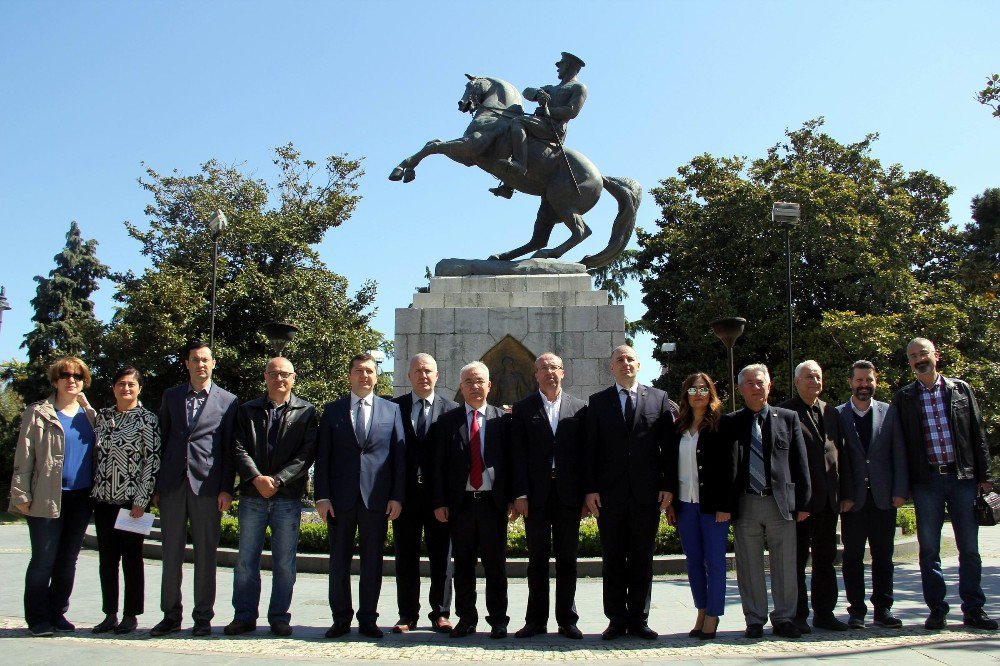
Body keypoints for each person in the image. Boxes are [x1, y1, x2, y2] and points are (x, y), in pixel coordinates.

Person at [892, 337, 997, 631]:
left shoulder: (960, 389)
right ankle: (937, 610)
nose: (918, 359)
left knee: (970, 548)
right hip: (926, 482)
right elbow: (900, 446)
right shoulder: (905, 397)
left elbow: (977, 432)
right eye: (913, 356)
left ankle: (974, 609)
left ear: (935, 356)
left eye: (923, 353)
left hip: (962, 478)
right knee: (928, 550)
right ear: (910, 362)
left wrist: (986, 476)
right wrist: (904, 486)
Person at [584, 345, 673, 640]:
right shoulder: (598, 402)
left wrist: (667, 486)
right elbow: (591, 451)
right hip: (609, 496)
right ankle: (615, 620)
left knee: (641, 558)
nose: (625, 364)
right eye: (619, 360)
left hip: (647, 495)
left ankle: (639, 618)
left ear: (639, 365)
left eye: (630, 359)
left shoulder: (659, 399)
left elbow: (668, 449)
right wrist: (591, 489)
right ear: (611, 367)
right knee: (612, 559)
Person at [151, 340, 239, 637]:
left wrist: (227, 489)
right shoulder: (171, 396)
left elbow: (229, 450)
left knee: (206, 555)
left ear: (213, 364)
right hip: (173, 485)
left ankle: (203, 617)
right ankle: (170, 615)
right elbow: (161, 442)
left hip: (208, 487)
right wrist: (155, 485)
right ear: (187, 363)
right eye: (195, 359)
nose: (200, 364)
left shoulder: (228, 401)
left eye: (205, 360)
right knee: (170, 553)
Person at [225, 357, 318, 637]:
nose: (280, 379)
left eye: (285, 374)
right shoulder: (247, 410)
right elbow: (238, 447)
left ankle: (279, 616)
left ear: (294, 377)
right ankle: (244, 616)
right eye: (274, 374)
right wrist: (256, 479)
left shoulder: (306, 411)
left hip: (287, 497)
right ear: (265, 377)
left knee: (285, 563)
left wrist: (277, 480)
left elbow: (306, 454)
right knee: (245, 561)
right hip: (253, 496)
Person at [315, 353, 405, 639]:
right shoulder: (332, 411)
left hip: (376, 500)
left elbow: (398, 458)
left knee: (372, 562)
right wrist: (322, 496)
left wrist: (396, 497)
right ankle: (340, 618)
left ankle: (368, 618)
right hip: (339, 501)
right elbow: (323, 457)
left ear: (376, 376)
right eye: (358, 371)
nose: (364, 376)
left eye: (369, 371)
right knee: (338, 562)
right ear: (349, 376)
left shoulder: (391, 411)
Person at [9, 356, 97, 637]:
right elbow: (24, 456)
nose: (71, 380)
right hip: (47, 495)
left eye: (77, 376)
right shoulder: (38, 413)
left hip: (81, 497)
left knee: (68, 559)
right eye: (65, 375)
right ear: (55, 380)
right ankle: (38, 619)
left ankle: (58, 613)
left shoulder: (91, 416)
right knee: (43, 559)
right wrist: (21, 493)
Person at [727, 363, 811, 639]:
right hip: (746, 502)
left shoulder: (787, 418)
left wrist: (803, 503)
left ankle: (784, 617)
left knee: (785, 563)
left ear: (769, 385)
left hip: (780, 503)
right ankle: (754, 618)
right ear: (740, 389)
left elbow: (800, 462)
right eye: (749, 383)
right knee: (749, 565)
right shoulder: (731, 422)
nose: (756, 388)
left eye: (760, 382)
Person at [432, 361, 513, 639]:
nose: (475, 386)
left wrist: (513, 499)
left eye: (480, 381)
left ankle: (499, 619)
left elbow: (511, 463)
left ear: (490, 385)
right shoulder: (447, 422)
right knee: (463, 565)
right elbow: (438, 467)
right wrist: (440, 502)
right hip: (461, 504)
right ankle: (466, 618)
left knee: (495, 565)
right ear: (461, 386)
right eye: (468, 381)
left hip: (493, 503)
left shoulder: (502, 420)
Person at [510, 353, 587, 640]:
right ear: (535, 375)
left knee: (568, 560)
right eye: (543, 368)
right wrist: (519, 494)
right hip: (536, 496)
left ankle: (568, 620)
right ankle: (535, 621)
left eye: (554, 367)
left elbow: (586, 456)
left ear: (563, 373)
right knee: (537, 560)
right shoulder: (522, 409)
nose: (549, 372)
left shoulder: (580, 408)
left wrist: (585, 494)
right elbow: (517, 455)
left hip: (569, 495)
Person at [664, 372, 737, 641]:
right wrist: (670, 503)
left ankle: (713, 614)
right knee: (694, 562)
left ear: (711, 393)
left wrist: (725, 505)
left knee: (715, 562)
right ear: (686, 395)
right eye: (693, 389)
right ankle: (701, 609)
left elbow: (730, 468)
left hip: (712, 506)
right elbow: (670, 468)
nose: (698, 394)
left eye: (703, 389)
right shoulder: (678, 427)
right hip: (685, 505)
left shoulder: (721, 424)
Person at [778, 361, 848, 633]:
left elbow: (840, 453)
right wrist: (794, 501)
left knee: (825, 560)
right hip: (800, 504)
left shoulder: (831, 411)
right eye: (808, 377)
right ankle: (797, 614)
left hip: (829, 501)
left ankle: (825, 613)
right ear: (796, 381)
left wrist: (846, 493)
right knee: (796, 562)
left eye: (818, 377)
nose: (814, 382)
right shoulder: (784, 412)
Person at [837, 360, 907, 629]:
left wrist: (900, 491)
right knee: (852, 557)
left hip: (884, 497)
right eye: (859, 380)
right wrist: (842, 494)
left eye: (868, 380)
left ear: (876, 382)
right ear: (850, 383)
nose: (864, 385)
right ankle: (856, 611)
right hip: (852, 500)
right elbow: (836, 459)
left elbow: (899, 454)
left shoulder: (889, 413)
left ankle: (883, 609)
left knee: (883, 557)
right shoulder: (839, 414)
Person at [390, 353, 457, 633]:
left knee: (442, 558)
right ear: (409, 377)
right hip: (404, 496)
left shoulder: (452, 410)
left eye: (428, 371)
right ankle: (407, 614)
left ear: (437, 376)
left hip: (438, 497)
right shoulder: (393, 408)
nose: (423, 376)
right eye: (417, 371)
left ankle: (440, 613)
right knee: (405, 557)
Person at [90, 366, 160, 635]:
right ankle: (110, 613)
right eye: (121, 384)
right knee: (107, 559)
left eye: (131, 384)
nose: (126, 388)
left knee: (132, 558)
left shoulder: (147, 419)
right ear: (114, 388)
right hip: (104, 498)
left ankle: (131, 615)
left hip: (133, 502)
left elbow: (152, 460)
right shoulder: (104, 417)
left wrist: (142, 499)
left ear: (139, 388)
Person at [490, 52, 587, 198]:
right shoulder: (552, 88)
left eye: (560, 65)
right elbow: (526, 92)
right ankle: (508, 185)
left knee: (518, 122)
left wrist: (548, 110)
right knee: (513, 125)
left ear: (568, 66)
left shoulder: (578, 88)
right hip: (540, 123)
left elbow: (571, 112)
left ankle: (520, 165)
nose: (557, 67)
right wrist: (538, 93)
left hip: (553, 128)